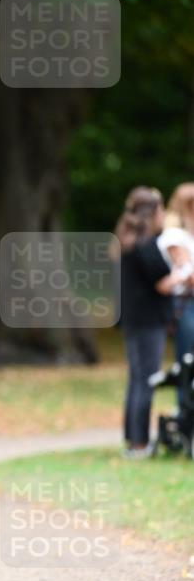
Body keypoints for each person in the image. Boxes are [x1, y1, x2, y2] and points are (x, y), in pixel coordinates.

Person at [114, 187, 191, 458]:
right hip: (148, 321)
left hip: (134, 320)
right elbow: (163, 284)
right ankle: (139, 443)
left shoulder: (128, 242)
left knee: (137, 379)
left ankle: (133, 439)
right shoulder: (146, 246)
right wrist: (184, 274)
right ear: (153, 213)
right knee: (146, 379)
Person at [158, 182, 194, 364]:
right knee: (186, 358)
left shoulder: (188, 235)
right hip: (184, 302)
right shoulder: (174, 235)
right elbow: (188, 273)